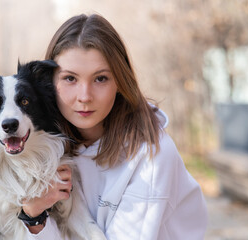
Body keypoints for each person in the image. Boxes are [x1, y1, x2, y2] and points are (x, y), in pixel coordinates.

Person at [21, 13, 208, 239]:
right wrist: (33, 214)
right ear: (49, 82)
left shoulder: (151, 158)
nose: (85, 96)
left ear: (120, 82)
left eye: (100, 79)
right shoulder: (46, 147)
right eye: (70, 78)